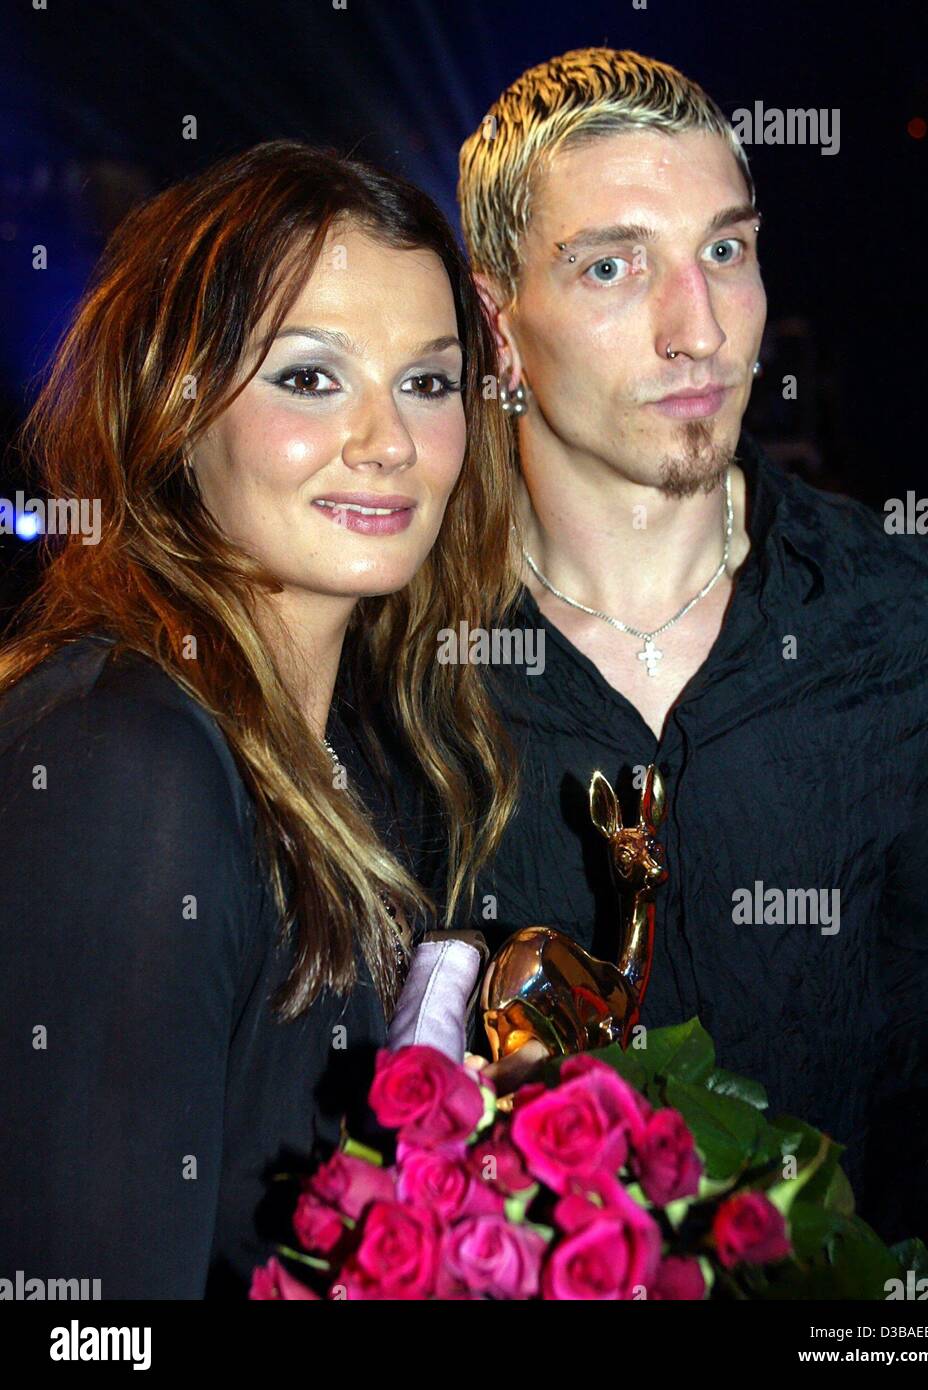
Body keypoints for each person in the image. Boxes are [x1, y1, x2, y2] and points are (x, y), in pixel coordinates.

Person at [407, 47, 928, 1275]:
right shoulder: (393, 663)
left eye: (723, 248)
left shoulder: (906, 622)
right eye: (612, 265)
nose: (701, 330)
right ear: (496, 320)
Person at [0, 141, 520, 1298]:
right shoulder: (127, 763)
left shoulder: (350, 757)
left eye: (428, 383)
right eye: (309, 376)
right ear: (174, 408)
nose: (388, 442)